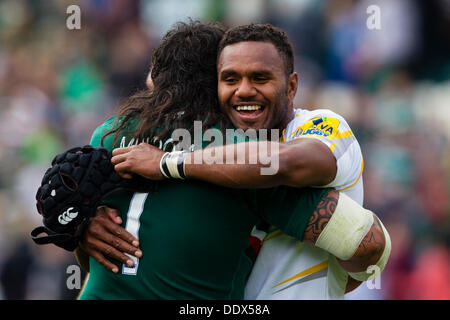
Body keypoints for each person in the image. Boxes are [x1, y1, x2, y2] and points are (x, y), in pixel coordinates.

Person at [77, 22, 390, 299]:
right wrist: (83, 225)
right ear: (213, 87)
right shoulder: (225, 157)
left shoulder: (320, 126)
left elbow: (281, 163)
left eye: (260, 78)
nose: (244, 91)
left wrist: (168, 164)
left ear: (292, 86)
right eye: (230, 78)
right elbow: (367, 244)